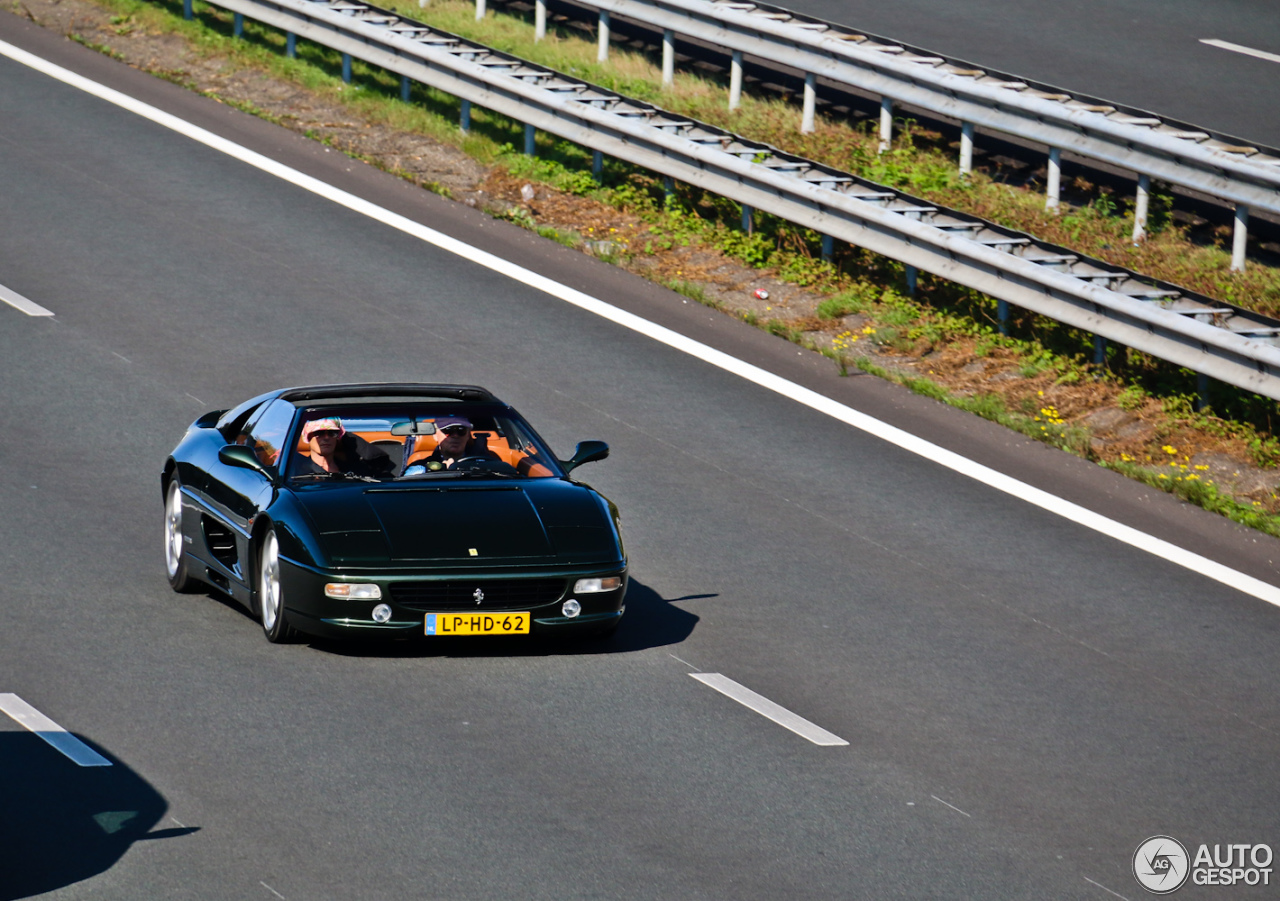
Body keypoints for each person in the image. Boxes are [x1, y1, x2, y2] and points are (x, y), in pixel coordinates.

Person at [295, 417, 393, 478]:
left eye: (332, 433)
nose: (326, 438)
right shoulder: (296, 473)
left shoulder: (358, 470)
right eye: (318, 433)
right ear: (307, 437)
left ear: (338, 437)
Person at [402, 415, 500, 475]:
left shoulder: (485, 464)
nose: (455, 436)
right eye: (448, 431)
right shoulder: (420, 467)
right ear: (435, 435)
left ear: (468, 435)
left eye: (461, 431)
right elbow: (406, 484)